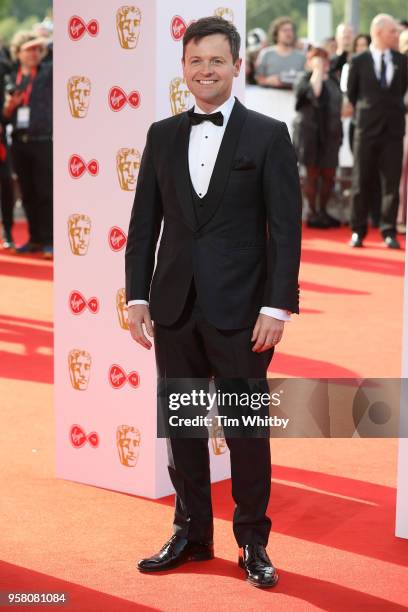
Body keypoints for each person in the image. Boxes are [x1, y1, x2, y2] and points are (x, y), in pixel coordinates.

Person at [125, 16, 302, 588]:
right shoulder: (162, 135)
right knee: (182, 428)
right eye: (196, 60)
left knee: (247, 430)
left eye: (217, 61)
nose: (206, 70)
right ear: (183, 68)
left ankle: (253, 541)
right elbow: (143, 224)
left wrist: (277, 307)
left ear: (237, 66)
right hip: (173, 306)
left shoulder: (268, 135)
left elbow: (286, 229)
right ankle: (192, 531)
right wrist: (137, 297)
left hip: (243, 312)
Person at [347, 14, 408, 248]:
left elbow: (402, 90)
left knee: (391, 183)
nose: (397, 35)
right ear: (379, 32)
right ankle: (357, 230)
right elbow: (352, 94)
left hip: (393, 130)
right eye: (393, 32)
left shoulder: (402, 61)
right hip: (366, 128)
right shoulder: (359, 60)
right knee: (361, 181)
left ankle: (388, 230)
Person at [2, 31, 53, 258]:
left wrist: (38, 40)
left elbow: (53, 48)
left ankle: (49, 240)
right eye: (28, 49)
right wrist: (9, 107)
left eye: (36, 49)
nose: (34, 53)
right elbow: (4, 116)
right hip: (18, 142)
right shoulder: (11, 76)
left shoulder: (47, 72)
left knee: (45, 192)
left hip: (42, 139)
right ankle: (34, 239)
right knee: (28, 193)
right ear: (18, 53)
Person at [293, 47, 343, 228]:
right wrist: (317, 72)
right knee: (312, 174)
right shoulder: (303, 79)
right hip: (309, 134)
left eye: (324, 59)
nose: (322, 63)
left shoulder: (333, 81)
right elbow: (315, 93)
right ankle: (313, 213)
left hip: (330, 134)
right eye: (317, 59)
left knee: (329, 175)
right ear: (309, 61)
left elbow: (341, 105)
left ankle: (323, 211)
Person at [255, 16, 305, 89]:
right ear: (276, 34)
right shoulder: (266, 54)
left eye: (291, 30)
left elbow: (306, 82)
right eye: (285, 30)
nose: (289, 33)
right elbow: (258, 78)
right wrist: (267, 80)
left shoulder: (301, 57)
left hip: (293, 97)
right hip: (269, 97)